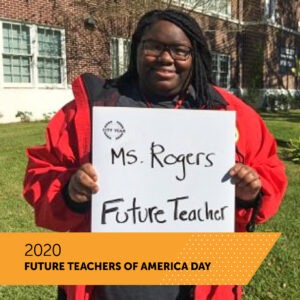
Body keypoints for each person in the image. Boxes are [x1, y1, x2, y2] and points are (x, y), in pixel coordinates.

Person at [23, 8, 287, 300]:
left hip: (201, 287)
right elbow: (41, 175)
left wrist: (249, 192)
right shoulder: (92, 110)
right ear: (137, 49)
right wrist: (71, 194)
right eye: (153, 47)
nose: (165, 58)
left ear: (194, 56)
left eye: (179, 50)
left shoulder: (231, 113)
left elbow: (270, 172)